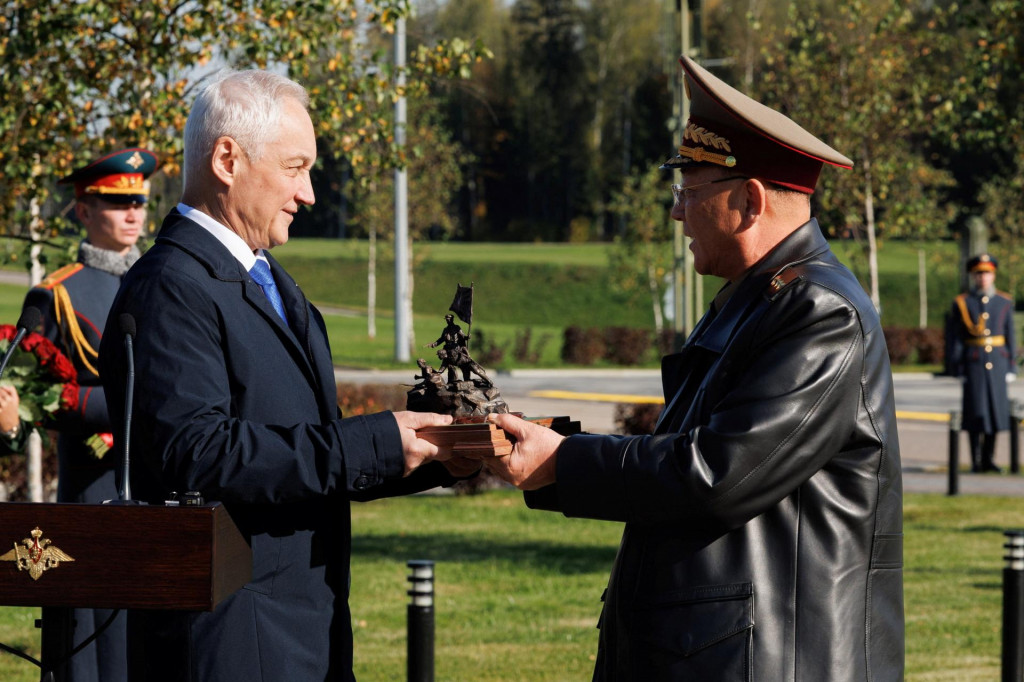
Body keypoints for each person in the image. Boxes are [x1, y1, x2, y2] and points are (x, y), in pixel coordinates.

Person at [485, 55, 904, 681]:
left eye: (690, 191)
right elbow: (685, 458)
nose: (677, 212)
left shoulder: (820, 312)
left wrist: (562, 461)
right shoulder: (761, 297)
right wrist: (556, 452)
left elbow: (716, 475)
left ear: (751, 201)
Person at [97, 70, 469, 681]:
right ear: (227, 159)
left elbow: (306, 453)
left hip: (302, 629)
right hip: (234, 641)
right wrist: (375, 439)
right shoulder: (172, 287)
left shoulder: (269, 281)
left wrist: (435, 451)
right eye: (296, 168)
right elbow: (200, 452)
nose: (311, 194)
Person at [20, 146, 159, 682]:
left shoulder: (160, 281)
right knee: (88, 647)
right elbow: (30, 397)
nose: (133, 215)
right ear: (82, 210)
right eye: (116, 203)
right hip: (91, 486)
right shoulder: (55, 295)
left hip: (153, 486)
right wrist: (124, 410)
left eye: (140, 203)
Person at [947, 253, 1015, 473]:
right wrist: (957, 366)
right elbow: (956, 338)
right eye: (978, 274)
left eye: (986, 273)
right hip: (973, 364)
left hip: (997, 362)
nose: (982, 278)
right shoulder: (963, 303)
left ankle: (989, 459)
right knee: (975, 412)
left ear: (993, 275)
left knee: (995, 412)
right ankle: (976, 460)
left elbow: (1010, 336)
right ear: (973, 276)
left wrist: (1012, 366)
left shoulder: (1004, 302)